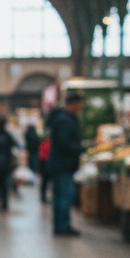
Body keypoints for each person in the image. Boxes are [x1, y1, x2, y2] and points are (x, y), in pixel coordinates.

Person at [45, 92, 84, 236]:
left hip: (61, 164)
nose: (79, 108)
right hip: (63, 165)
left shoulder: (64, 119)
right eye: (78, 105)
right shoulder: (64, 120)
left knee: (62, 195)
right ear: (72, 104)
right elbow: (64, 143)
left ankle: (62, 225)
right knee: (64, 196)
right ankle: (62, 226)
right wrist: (80, 148)